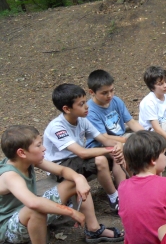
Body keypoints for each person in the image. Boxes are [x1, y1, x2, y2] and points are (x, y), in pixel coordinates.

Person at [0, 125, 124, 244]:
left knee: (74, 180)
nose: (44, 148)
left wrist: (79, 178)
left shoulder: (29, 160)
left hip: (29, 214)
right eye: (38, 145)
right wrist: (71, 212)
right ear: (21, 153)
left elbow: (64, 170)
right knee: (35, 208)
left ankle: (93, 230)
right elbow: (33, 202)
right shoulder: (10, 175)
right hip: (11, 228)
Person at [43, 83, 125, 211]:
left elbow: (103, 139)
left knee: (117, 153)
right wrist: (110, 149)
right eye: (81, 104)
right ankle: (114, 198)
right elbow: (82, 153)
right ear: (67, 109)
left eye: (85, 102)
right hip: (59, 166)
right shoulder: (57, 127)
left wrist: (118, 145)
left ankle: (124, 192)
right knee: (101, 160)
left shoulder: (81, 119)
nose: (87, 106)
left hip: (77, 160)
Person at [86, 69, 144, 148]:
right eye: (104, 93)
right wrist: (129, 140)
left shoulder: (116, 100)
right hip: (101, 144)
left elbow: (131, 122)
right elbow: (104, 137)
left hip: (121, 136)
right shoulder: (90, 111)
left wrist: (146, 135)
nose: (110, 95)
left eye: (111, 90)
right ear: (92, 92)